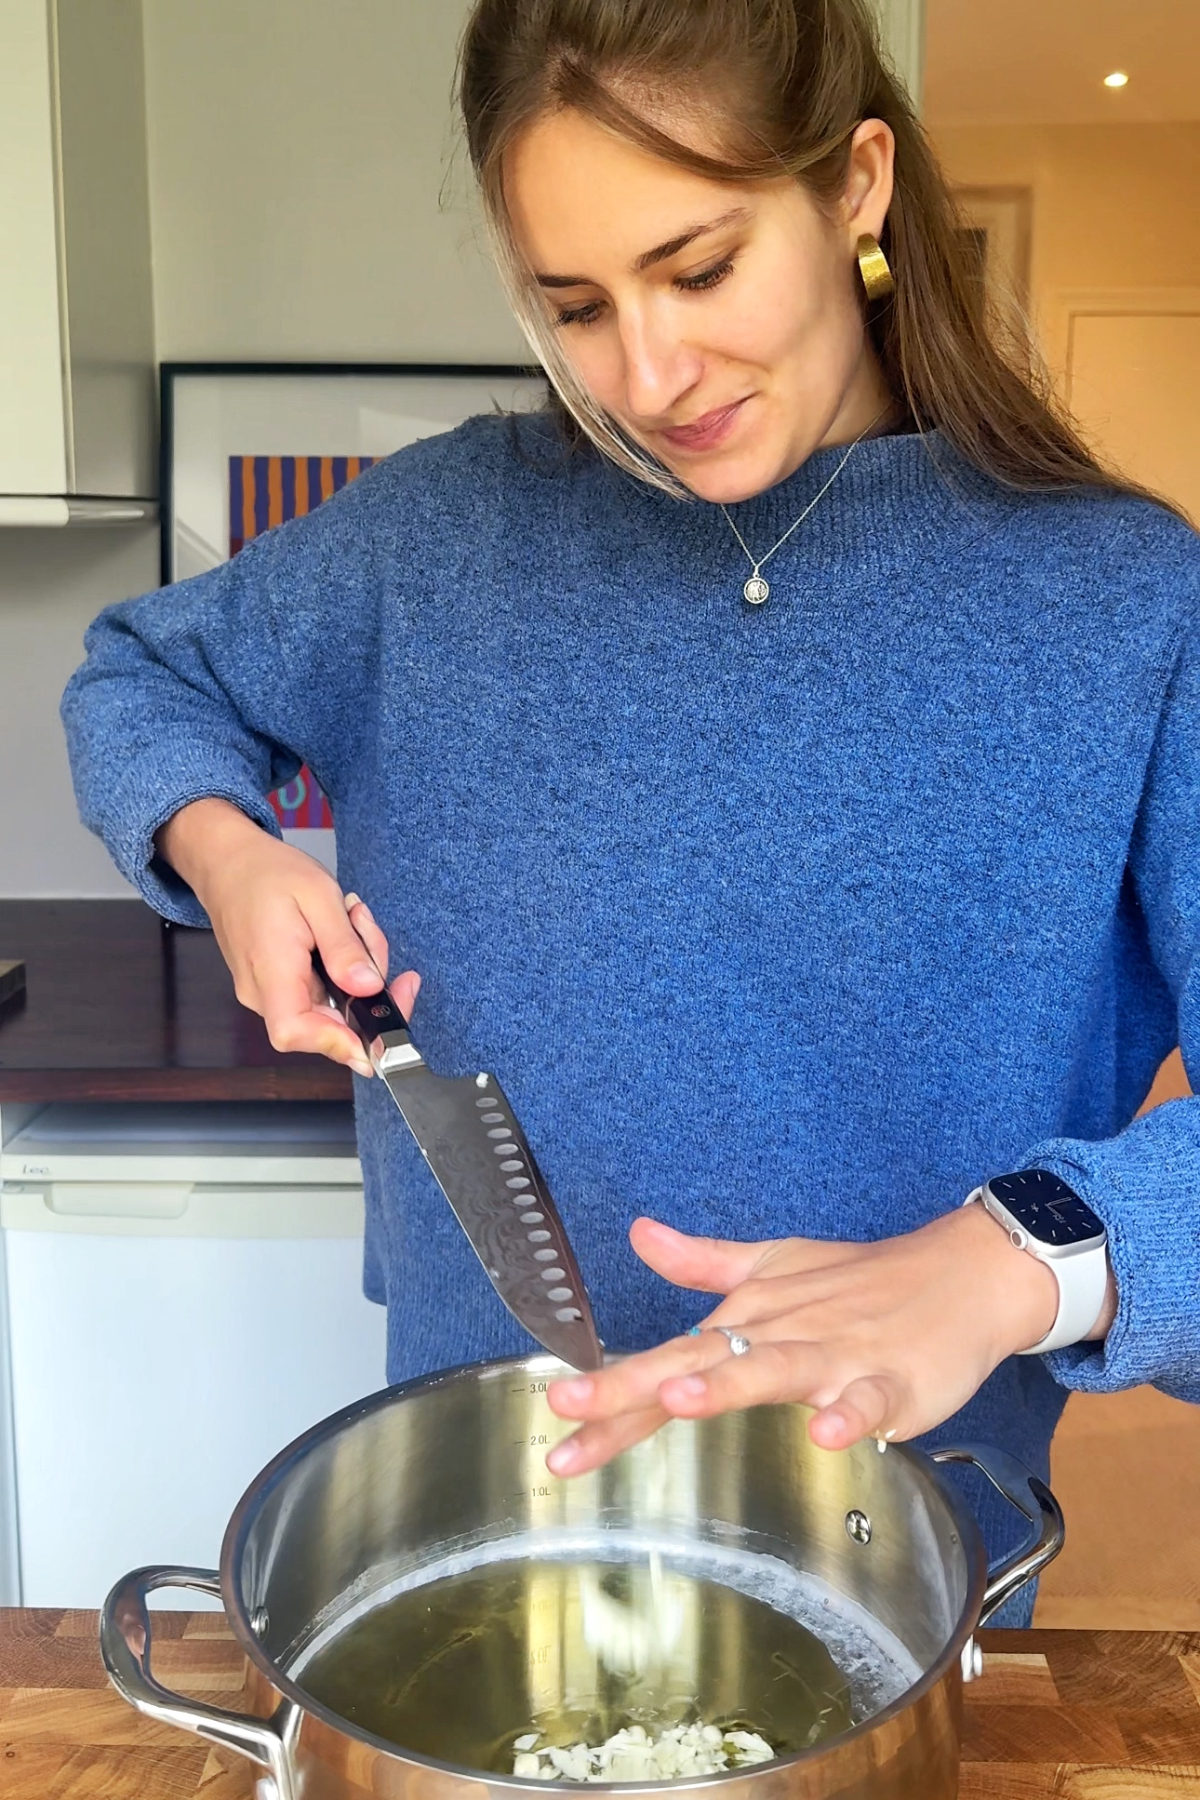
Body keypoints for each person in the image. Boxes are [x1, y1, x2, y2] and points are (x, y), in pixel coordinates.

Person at [62, 0, 1198, 1627]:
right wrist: (223, 848)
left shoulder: (1128, 610)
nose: (648, 377)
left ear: (858, 184)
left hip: (903, 1565)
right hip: (483, 1516)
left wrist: (1017, 1257)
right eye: (577, 305)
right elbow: (140, 675)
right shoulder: (439, 537)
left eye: (701, 268)